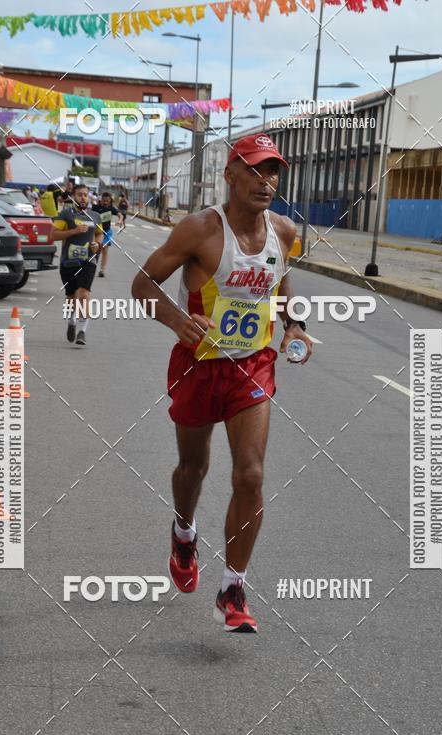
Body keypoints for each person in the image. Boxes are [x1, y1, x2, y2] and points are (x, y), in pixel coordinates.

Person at [132, 134, 312, 634]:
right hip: (197, 365)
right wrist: (177, 321)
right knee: (194, 467)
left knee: (250, 475)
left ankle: (233, 588)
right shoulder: (199, 230)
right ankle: (184, 531)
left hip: (250, 367)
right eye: (255, 170)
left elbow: (281, 284)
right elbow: (142, 284)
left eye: (273, 172)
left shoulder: (285, 231)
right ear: (229, 174)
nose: (266, 181)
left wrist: (294, 324)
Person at [50, 183, 103, 347]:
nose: (83, 198)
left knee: (84, 293)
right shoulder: (65, 214)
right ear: (73, 197)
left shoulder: (95, 216)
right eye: (79, 194)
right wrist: (73, 231)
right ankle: (72, 321)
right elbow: (53, 235)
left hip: (88, 261)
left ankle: (82, 331)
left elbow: (99, 234)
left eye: (86, 195)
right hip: (68, 262)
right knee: (71, 297)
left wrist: (97, 245)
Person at [92, 191, 119, 278]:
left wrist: (120, 220)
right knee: (96, 250)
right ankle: (92, 267)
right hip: (97, 232)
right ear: (101, 200)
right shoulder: (96, 207)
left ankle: (102, 270)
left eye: (107, 200)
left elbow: (120, 214)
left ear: (110, 201)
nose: (105, 202)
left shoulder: (111, 208)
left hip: (107, 232)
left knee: (105, 251)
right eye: (104, 200)